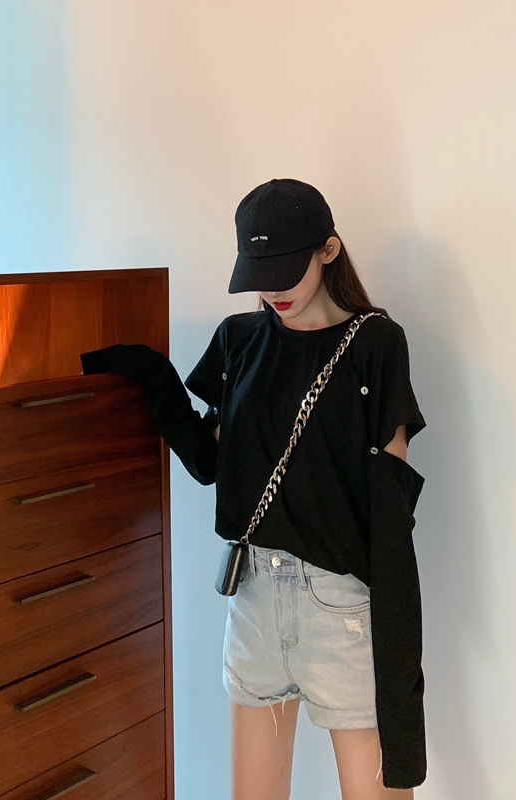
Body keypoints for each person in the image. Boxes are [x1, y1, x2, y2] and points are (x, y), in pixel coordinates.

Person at [80, 178, 427, 800]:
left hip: (339, 607)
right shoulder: (240, 340)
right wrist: (153, 375)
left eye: (285, 271)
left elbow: (390, 515)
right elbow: (209, 461)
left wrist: (402, 670)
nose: (272, 290)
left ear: (328, 250)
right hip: (254, 599)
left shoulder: (375, 344)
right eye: (259, 274)